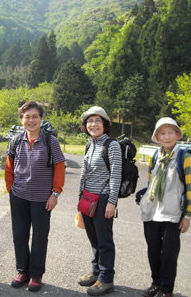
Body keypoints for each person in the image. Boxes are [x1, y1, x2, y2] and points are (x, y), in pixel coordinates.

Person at [5, 101, 65, 292]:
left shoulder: (50, 141)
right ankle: (22, 270)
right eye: (26, 116)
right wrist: (11, 190)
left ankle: (36, 274)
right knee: (19, 235)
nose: (31, 120)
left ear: (41, 118)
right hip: (19, 196)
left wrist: (55, 193)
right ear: (21, 119)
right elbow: (8, 166)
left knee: (40, 237)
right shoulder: (15, 141)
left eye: (35, 116)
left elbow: (59, 167)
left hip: (42, 198)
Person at [139, 117, 191, 297]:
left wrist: (187, 215)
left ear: (177, 135)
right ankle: (156, 283)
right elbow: (150, 184)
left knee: (169, 255)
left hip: (173, 214)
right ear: (157, 137)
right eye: (162, 133)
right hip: (151, 213)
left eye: (170, 132)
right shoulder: (155, 156)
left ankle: (166, 290)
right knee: (153, 252)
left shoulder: (184, 157)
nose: (166, 137)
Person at [77, 106, 122, 296]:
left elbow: (116, 176)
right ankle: (96, 272)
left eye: (97, 120)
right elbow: (84, 174)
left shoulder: (111, 145)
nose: (93, 124)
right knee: (94, 239)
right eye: (89, 121)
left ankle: (106, 278)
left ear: (105, 124)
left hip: (103, 200)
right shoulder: (90, 143)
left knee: (104, 241)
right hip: (88, 198)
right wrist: (80, 200)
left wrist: (112, 202)